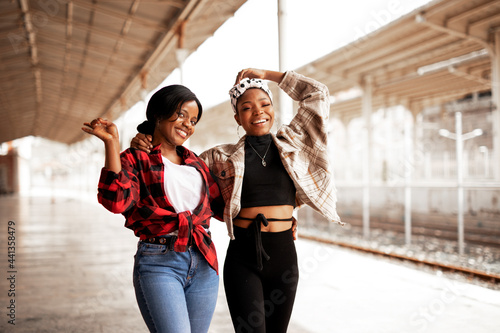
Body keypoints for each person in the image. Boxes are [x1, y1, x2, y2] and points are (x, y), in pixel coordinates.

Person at [132, 68, 342, 333]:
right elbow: (177, 165)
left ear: (273, 109)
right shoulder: (219, 157)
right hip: (242, 257)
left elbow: (317, 93)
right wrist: (146, 139)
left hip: (283, 255)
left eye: (265, 104)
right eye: (247, 108)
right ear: (237, 117)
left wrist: (268, 75)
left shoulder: (293, 143)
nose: (258, 112)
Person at [82, 84, 224, 333]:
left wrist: (284, 216)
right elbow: (116, 201)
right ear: (158, 114)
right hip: (160, 261)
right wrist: (112, 144)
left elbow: (224, 206)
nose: (188, 124)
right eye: (181, 114)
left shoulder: (197, 163)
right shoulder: (136, 158)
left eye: (193, 120)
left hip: (203, 260)